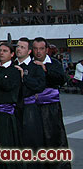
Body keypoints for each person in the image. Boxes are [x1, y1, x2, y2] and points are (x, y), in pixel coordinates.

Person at [32, 37, 71, 169]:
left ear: (46, 50)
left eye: (41, 49)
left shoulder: (53, 63)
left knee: (55, 137)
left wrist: (46, 70)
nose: (38, 52)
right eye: (36, 49)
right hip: (34, 107)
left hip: (51, 108)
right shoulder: (29, 64)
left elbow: (62, 79)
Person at [15, 37, 45, 153]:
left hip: (30, 109)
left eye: (22, 47)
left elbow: (40, 86)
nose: (19, 49)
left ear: (29, 51)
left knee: (32, 142)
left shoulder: (36, 67)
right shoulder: (12, 66)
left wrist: (24, 77)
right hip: (14, 108)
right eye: (18, 46)